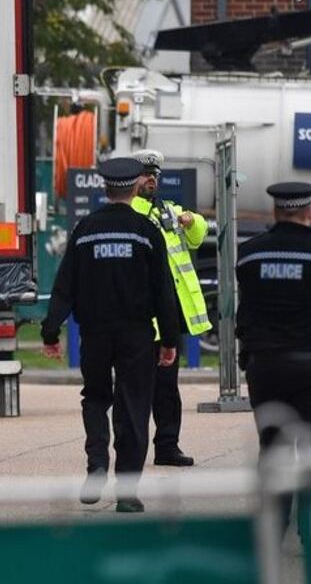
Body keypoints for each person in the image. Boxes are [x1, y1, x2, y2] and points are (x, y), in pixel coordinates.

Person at [41, 158, 180, 513]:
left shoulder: (86, 230)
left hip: (95, 333)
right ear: (135, 188)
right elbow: (164, 289)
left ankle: (97, 464)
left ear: (105, 188)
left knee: (96, 398)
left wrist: (51, 330)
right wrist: (169, 339)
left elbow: (64, 285)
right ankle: (128, 493)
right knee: (134, 405)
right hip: (136, 335)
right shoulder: (146, 232)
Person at [236, 182, 311, 529]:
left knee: (273, 445)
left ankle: (273, 526)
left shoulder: (250, 253)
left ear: (275, 212)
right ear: (309, 212)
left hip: (266, 364)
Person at [131, 149, 212, 467]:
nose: (152, 180)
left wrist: (192, 221)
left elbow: (197, 236)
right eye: (146, 175)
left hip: (166, 319)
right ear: (131, 180)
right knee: (135, 390)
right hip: (139, 320)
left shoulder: (168, 210)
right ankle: (131, 450)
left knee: (167, 390)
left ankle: (167, 446)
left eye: (155, 175)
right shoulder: (131, 212)